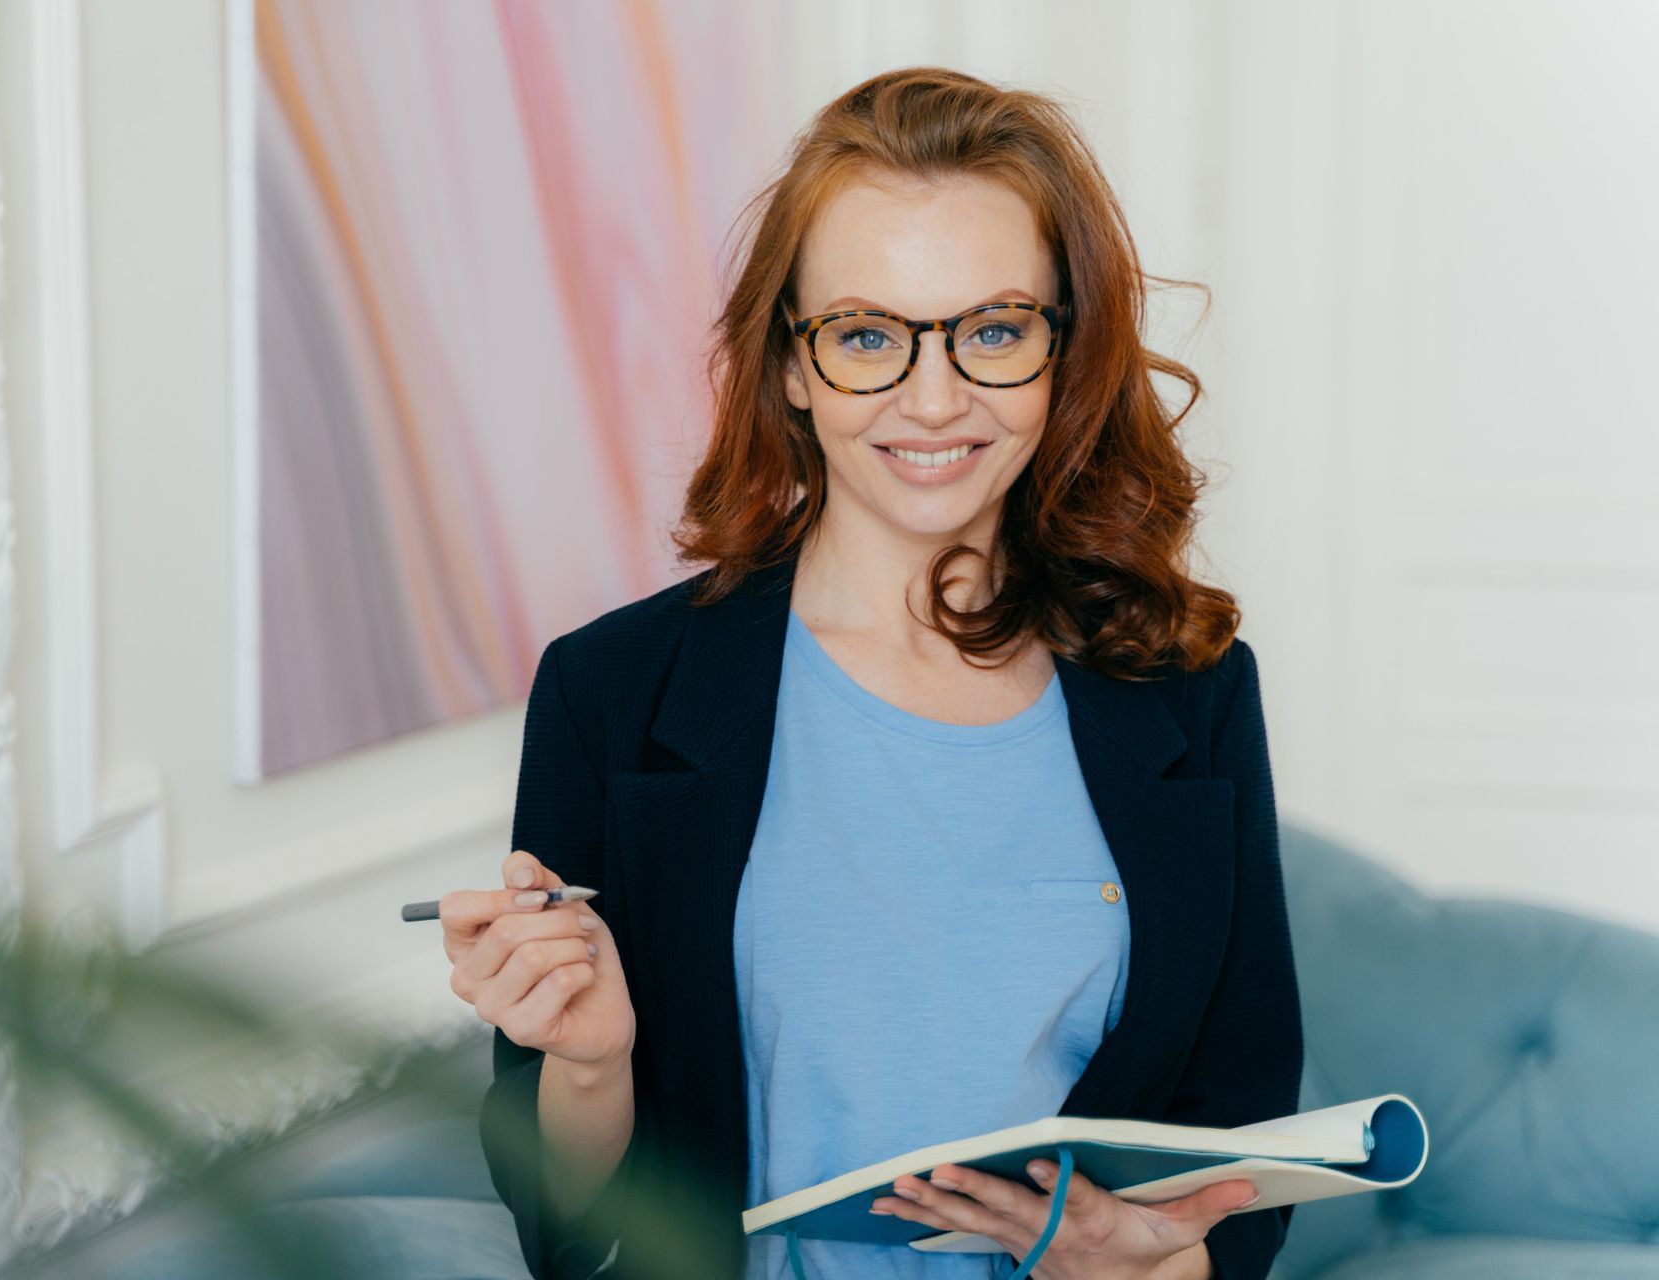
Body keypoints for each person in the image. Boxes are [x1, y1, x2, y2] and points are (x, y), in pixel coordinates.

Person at [442, 66, 1301, 1280]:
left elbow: (1244, 1132)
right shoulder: (613, 693)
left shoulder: (1192, 690)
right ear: (791, 364)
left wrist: (1159, 1263)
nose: (935, 395)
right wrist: (588, 1062)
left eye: (995, 329)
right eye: (866, 335)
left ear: (1067, 352)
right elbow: (572, 1229)